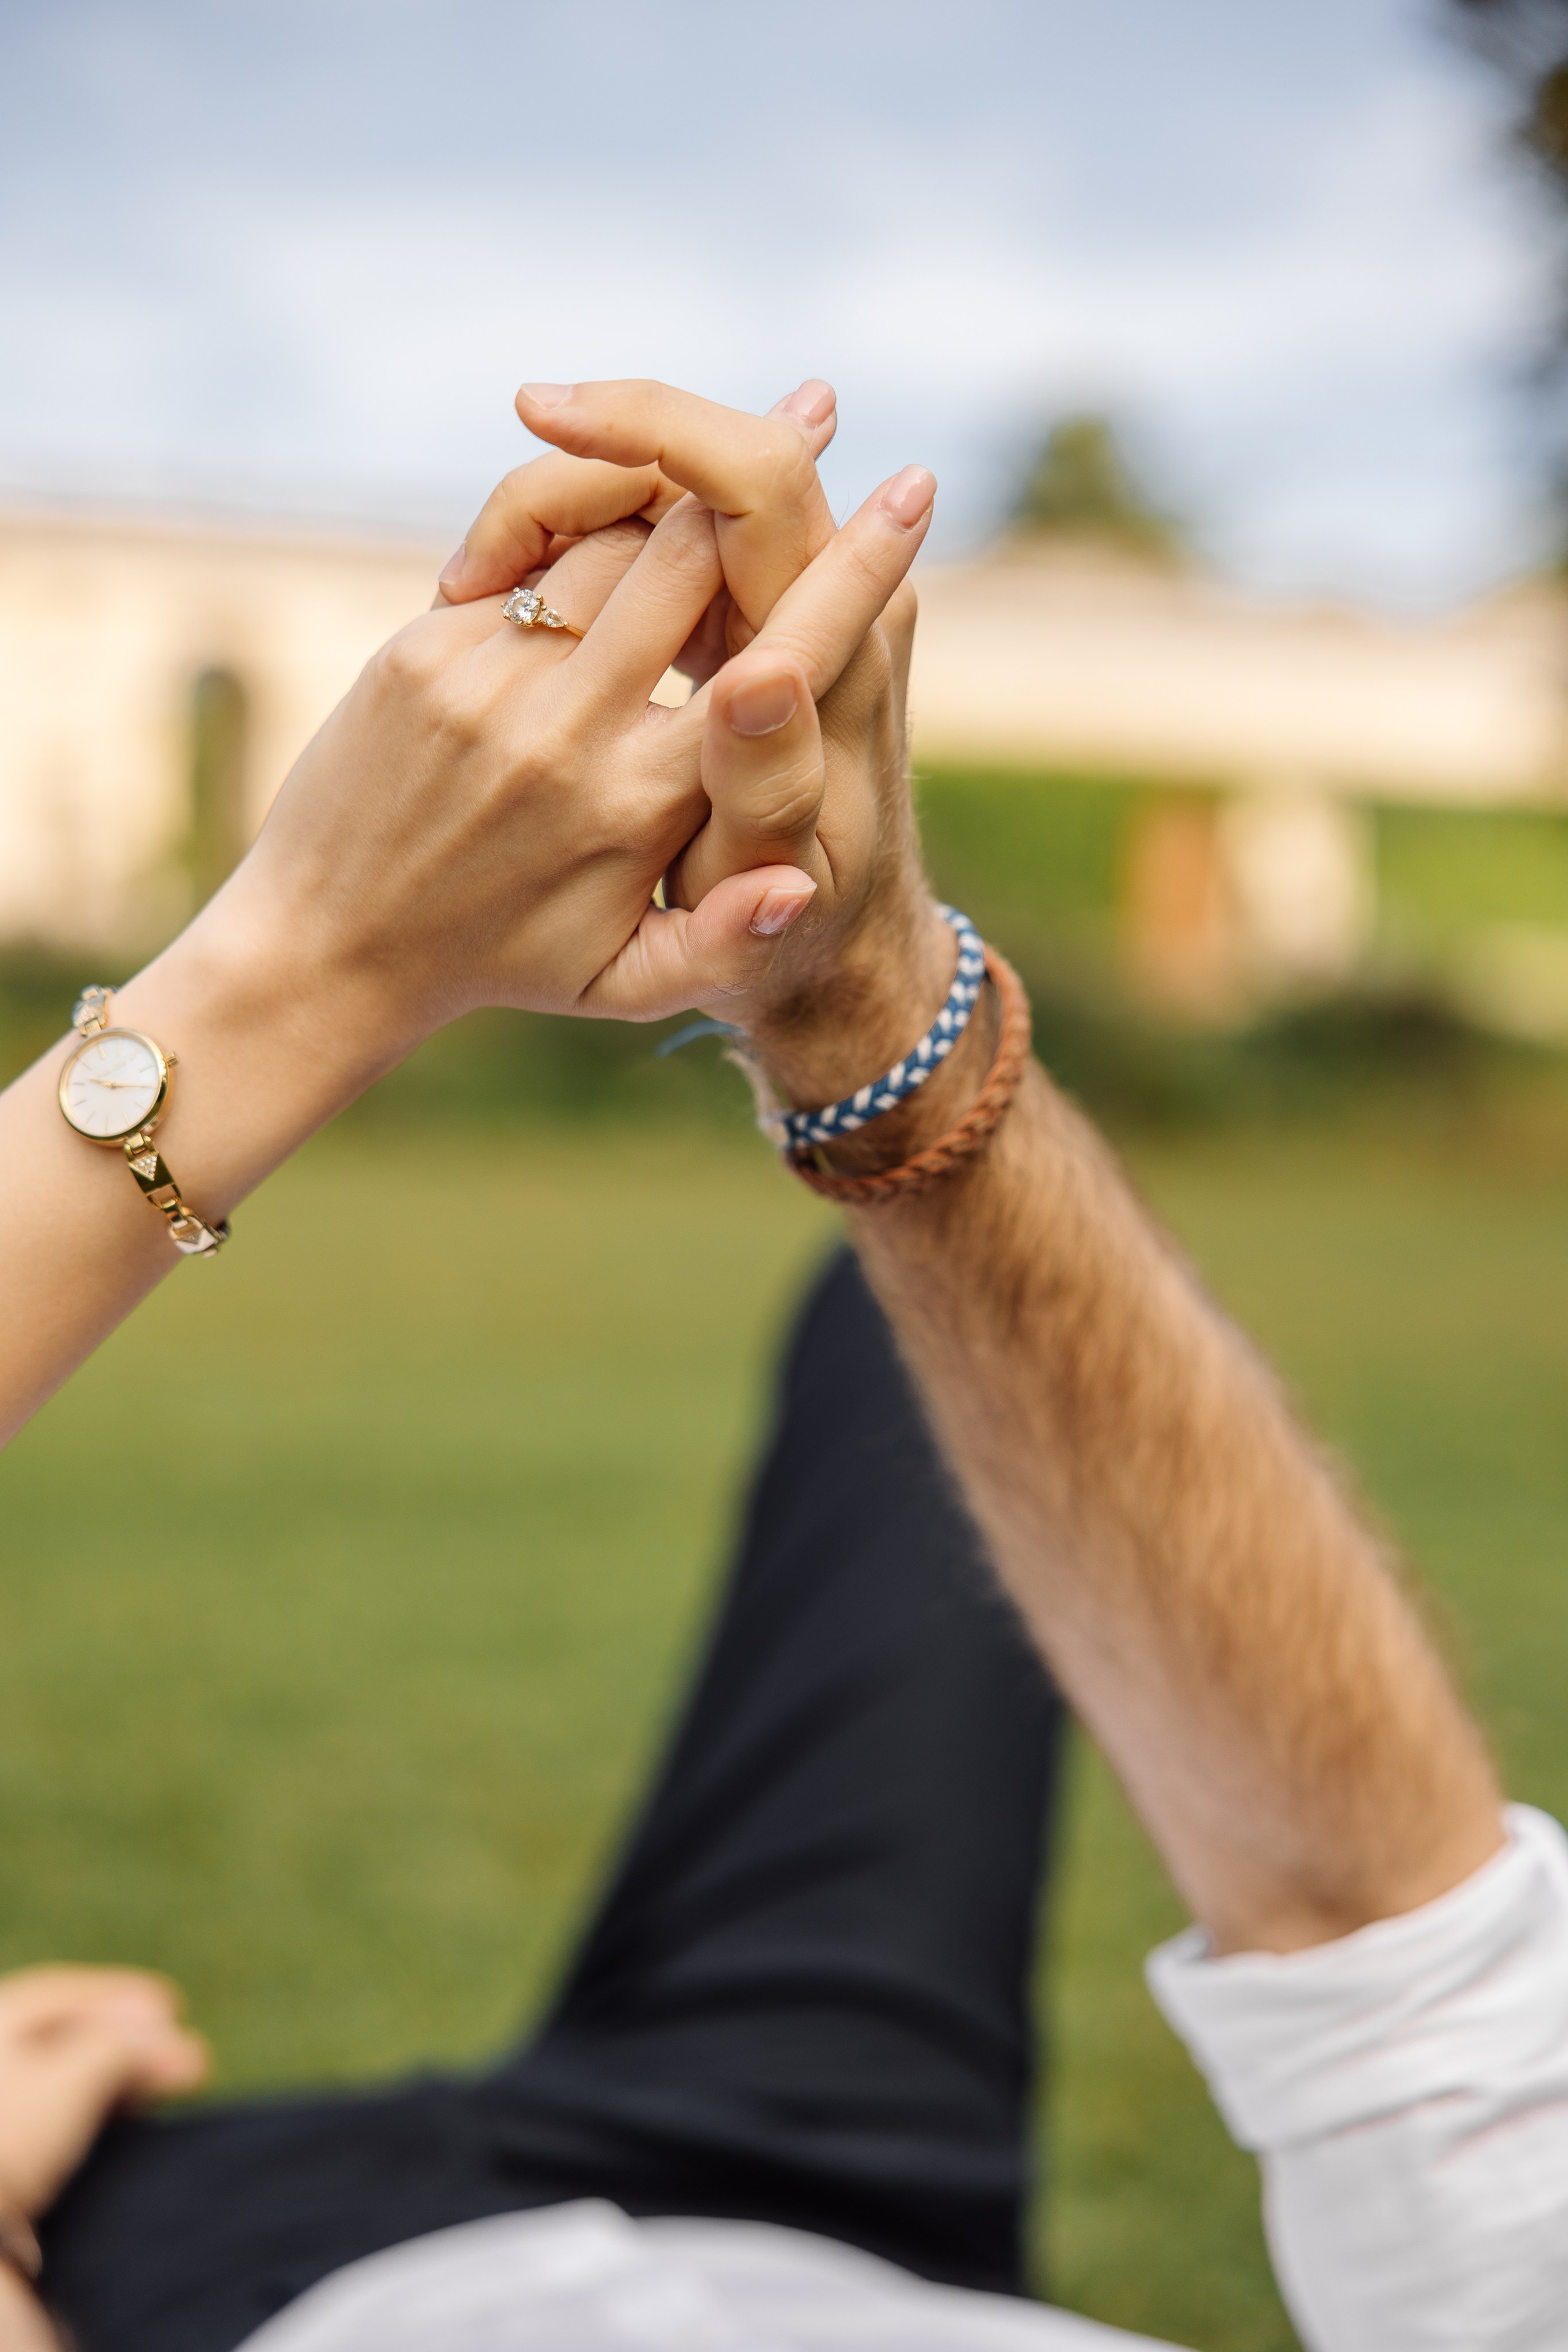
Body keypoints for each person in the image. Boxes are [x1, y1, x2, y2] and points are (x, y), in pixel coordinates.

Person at [0, 375, 1564, 2352]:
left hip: (224, 2282)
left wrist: (303, 959)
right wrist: (862, 1000)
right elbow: (1397, 1960)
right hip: (834, 2182)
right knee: (925, 1341)